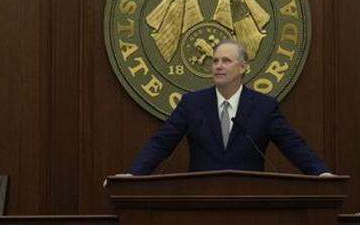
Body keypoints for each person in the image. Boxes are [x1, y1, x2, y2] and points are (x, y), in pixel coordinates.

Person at [126, 39, 331, 176]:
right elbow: (161, 143)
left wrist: (320, 172)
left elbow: (293, 145)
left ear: (242, 67)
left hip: (250, 204)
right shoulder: (192, 104)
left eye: (226, 61)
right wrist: (133, 174)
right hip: (200, 203)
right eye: (215, 61)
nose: (218, 66)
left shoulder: (263, 107)